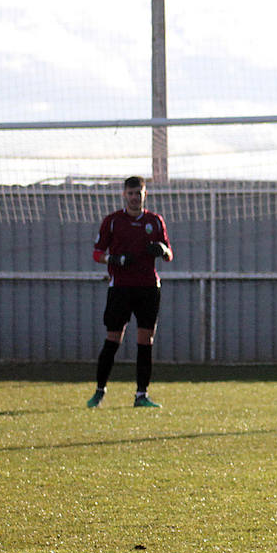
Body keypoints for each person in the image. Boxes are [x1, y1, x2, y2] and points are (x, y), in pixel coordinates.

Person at [87, 175, 173, 409]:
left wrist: (162, 249)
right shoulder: (113, 221)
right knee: (113, 339)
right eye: (131, 193)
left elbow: (168, 254)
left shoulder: (155, 221)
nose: (135, 198)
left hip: (148, 288)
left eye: (139, 193)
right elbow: (96, 254)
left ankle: (141, 395)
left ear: (145, 195)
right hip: (121, 288)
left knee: (146, 341)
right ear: (124, 195)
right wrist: (112, 258)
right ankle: (99, 392)